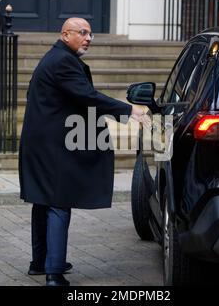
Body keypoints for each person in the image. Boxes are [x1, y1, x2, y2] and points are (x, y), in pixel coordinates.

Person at [19, 17, 147, 286]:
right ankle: (54, 274)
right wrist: (128, 109)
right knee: (58, 202)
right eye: (82, 33)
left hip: (41, 142)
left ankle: (40, 262)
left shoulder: (55, 57)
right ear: (65, 34)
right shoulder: (63, 61)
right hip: (52, 146)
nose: (88, 38)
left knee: (43, 200)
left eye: (90, 34)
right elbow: (87, 96)